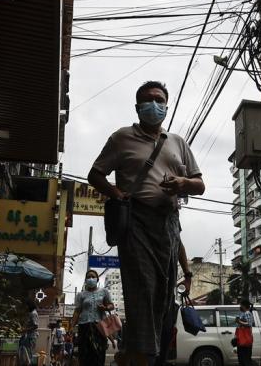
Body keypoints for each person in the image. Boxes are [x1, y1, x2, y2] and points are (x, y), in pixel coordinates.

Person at [89, 81, 205, 366]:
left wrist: (182, 182)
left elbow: (200, 185)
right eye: (148, 100)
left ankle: (141, 354)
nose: (154, 104)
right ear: (138, 107)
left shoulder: (178, 142)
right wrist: (118, 194)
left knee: (164, 300)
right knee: (143, 289)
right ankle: (146, 356)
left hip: (168, 223)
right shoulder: (121, 138)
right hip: (136, 223)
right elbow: (95, 174)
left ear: (166, 105)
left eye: (159, 99)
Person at [73, 270, 114, 366]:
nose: (90, 279)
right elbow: (77, 311)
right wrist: (71, 326)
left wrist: (106, 307)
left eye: (93, 276)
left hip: (99, 327)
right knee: (84, 355)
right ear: (86, 280)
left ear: (97, 279)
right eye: (88, 277)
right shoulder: (81, 295)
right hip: (84, 327)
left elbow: (111, 305)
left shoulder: (104, 292)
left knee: (99, 354)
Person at [19, 300, 40, 365]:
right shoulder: (31, 313)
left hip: (31, 337)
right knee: (26, 354)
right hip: (28, 336)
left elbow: (35, 326)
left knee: (29, 354)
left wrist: (25, 330)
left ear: (29, 306)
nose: (26, 308)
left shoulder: (33, 313)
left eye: (26, 306)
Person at [236, 300, 254, 366]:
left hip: (245, 340)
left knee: (245, 359)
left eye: (240, 305)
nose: (240, 306)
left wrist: (239, 322)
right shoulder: (243, 313)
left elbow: (249, 324)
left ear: (243, 305)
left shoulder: (247, 313)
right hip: (243, 339)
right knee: (243, 359)